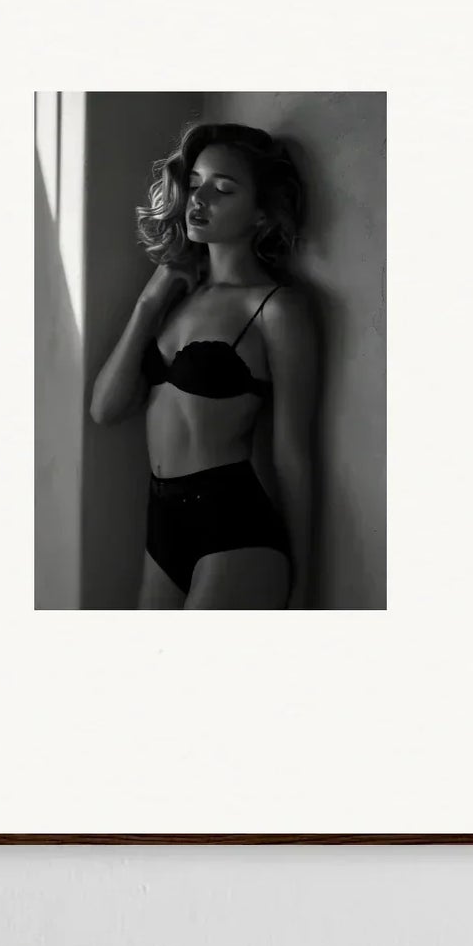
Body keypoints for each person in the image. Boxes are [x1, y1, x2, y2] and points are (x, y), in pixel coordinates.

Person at [89, 121, 316, 609]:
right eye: (194, 184)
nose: (199, 200)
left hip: (234, 529)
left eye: (223, 188)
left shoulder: (276, 308)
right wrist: (148, 304)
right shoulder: (176, 297)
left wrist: (305, 583)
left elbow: (292, 452)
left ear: (261, 213)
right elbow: (105, 409)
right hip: (161, 526)